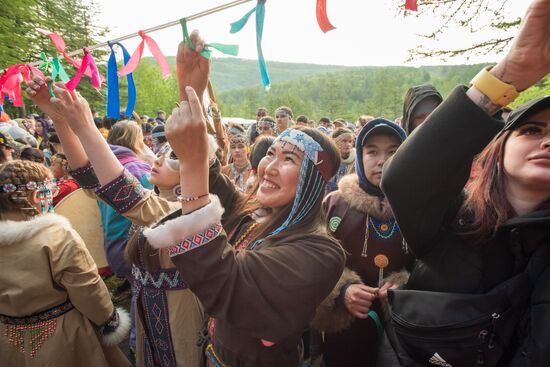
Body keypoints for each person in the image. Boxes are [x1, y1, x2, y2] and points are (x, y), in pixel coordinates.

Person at [381, 1, 550, 364]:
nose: (547, 141)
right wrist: (510, 73)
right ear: (497, 150)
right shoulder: (453, 220)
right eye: (532, 130)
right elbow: (404, 178)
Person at [0, 159, 130, 367]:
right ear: (35, 195)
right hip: (64, 337)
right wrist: (108, 321)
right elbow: (87, 287)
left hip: (7, 340)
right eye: (48, 191)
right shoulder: (55, 235)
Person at [318, 119, 414, 367]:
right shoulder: (334, 204)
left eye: (393, 151)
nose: (382, 160)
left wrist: (406, 284)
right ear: (360, 156)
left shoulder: (419, 205)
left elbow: (435, 263)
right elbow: (313, 263)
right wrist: (340, 291)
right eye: (372, 151)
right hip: (344, 330)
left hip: (403, 330)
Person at [326, 127, 356, 194]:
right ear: (335, 141)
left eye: (350, 141)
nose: (348, 144)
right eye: (344, 141)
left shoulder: (356, 160)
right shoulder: (326, 158)